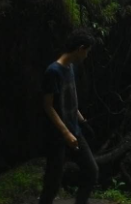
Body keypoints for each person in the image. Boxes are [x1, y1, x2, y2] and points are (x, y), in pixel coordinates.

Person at [39, 28, 99, 204]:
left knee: (91, 171)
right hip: (57, 136)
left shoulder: (71, 68)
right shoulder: (53, 72)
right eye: (87, 51)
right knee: (52, 184)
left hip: (75, 131)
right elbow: (48, 106)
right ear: (80, 48)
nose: (87, 56)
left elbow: (71, 101)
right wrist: (65, 133)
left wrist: (83, 122)